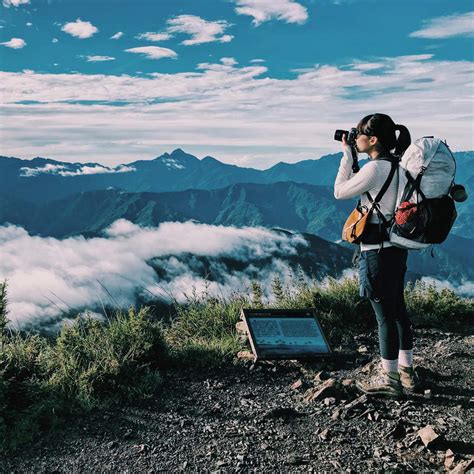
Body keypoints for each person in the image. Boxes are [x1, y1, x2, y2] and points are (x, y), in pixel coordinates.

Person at [334, 113, 421, 398]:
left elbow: (339, 191)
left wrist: (346, 155)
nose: (354, 138)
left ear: (372, 139)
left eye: (358, 134)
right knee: (398, 312)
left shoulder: (375, 169)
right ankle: (407, 372)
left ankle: (389, 378)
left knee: (384, 316)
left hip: (376, 253)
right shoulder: (399, 167)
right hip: (396, 248)